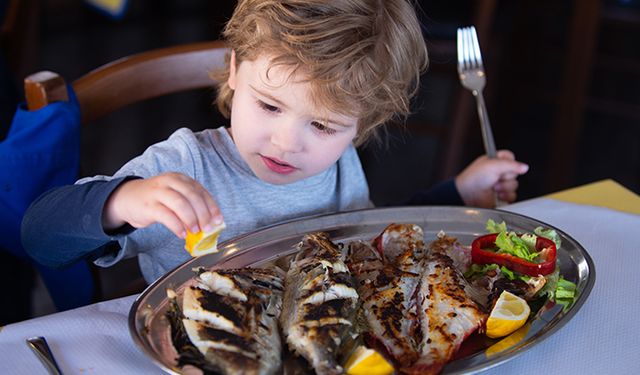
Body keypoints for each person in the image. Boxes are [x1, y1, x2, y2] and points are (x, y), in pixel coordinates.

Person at [22, 0, 528, 285]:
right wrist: (123, 200)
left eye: (325, 126)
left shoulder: (339, 163)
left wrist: (457, 195)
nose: (287, 143)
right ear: (236, 70)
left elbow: (373, 232)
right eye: (269, 105)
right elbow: (39, 236)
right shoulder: (185, 166)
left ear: (362, 125)